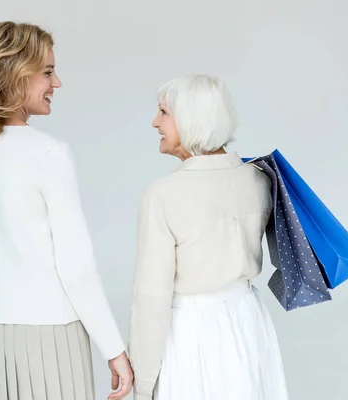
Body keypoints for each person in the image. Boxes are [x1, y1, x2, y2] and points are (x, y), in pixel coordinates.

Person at [0, 21, 133, 400]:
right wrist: (113, 348)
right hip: (48, 334)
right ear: (15, 74)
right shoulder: (48, 154)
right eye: (48, 72)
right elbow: (76, 266)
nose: (58, 83)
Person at [128, 74, 288, 400]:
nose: (154, 122)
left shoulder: (163, 195)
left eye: (163, 112)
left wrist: (142, 383)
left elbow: (151, 298)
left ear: (190, 120)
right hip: (247, 322)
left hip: (190, 332)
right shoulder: (258, 179)